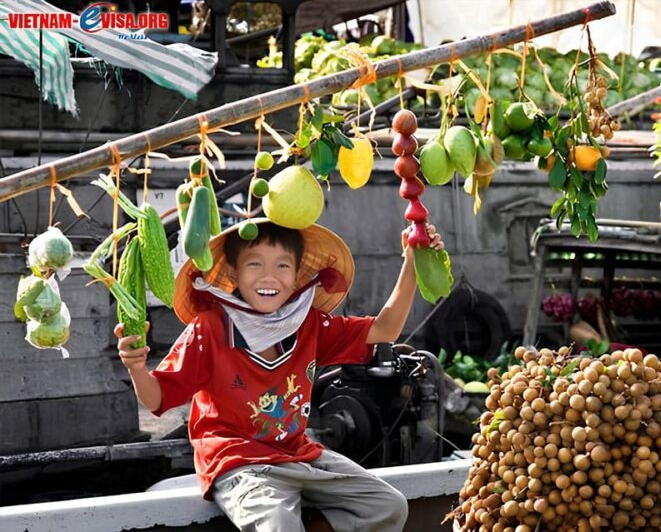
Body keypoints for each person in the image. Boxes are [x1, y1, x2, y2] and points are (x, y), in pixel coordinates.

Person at [116, 217, 444, 532]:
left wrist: (412, 261)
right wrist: (136, 367)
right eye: (254, 264)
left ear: (297, 274)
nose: (269, 276)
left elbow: (385, 329)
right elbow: (156, 398)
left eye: (282, 265)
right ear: (234, 273)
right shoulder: (211, 327)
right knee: (277, 525)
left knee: (388, 506)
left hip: (299, 452)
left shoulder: (309, 322)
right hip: (237, 462)